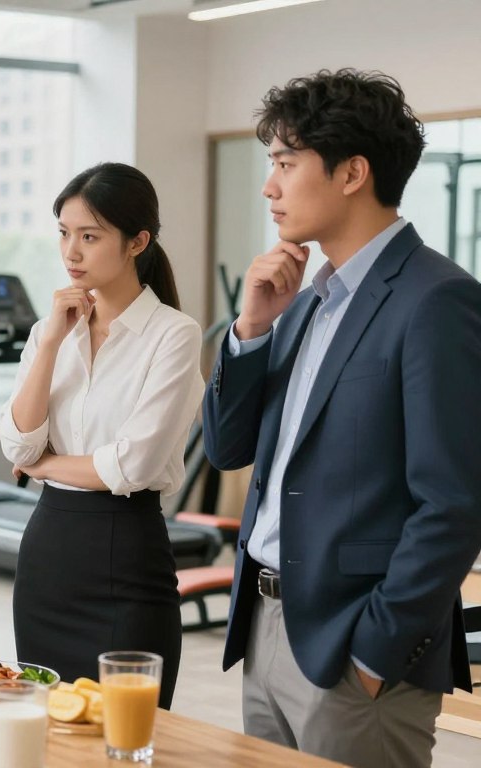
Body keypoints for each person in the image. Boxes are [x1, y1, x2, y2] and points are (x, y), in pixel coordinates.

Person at [203, 69, 481, 767]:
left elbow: (453, 503)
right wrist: (250, 330)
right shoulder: (301, 300)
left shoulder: (437, 300)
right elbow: (226, 448)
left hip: (355, 647)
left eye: (286, 163)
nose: (270, 186)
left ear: (353, 172)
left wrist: (376, 651)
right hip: (264, 620)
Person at [0, 162, 203, 709]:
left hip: (127, 556)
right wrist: (47, 345)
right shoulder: (50, 331)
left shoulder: (174, 335)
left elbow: (130, 467)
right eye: (64, 233)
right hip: (47, 556)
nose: (72, 252)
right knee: (50, 725)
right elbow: (16, 444)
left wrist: (42, 466)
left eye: (90, 236)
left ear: (137, 241)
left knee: (126, 731)